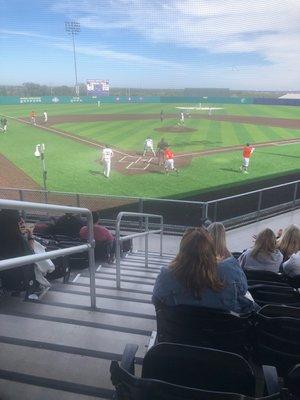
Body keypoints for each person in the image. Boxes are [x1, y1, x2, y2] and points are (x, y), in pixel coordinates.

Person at [152, 227, 255, 314]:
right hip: (223, 335)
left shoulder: (165, 276)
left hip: (179, 335)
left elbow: (157, 302)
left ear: (182, 250)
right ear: (211, 249)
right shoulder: (230, 269)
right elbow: (243, 290)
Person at [0, 209, 41, 299]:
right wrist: (30, 237)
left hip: (5, 277)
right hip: (21, 279)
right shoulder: (20, 241)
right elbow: (32, 255)